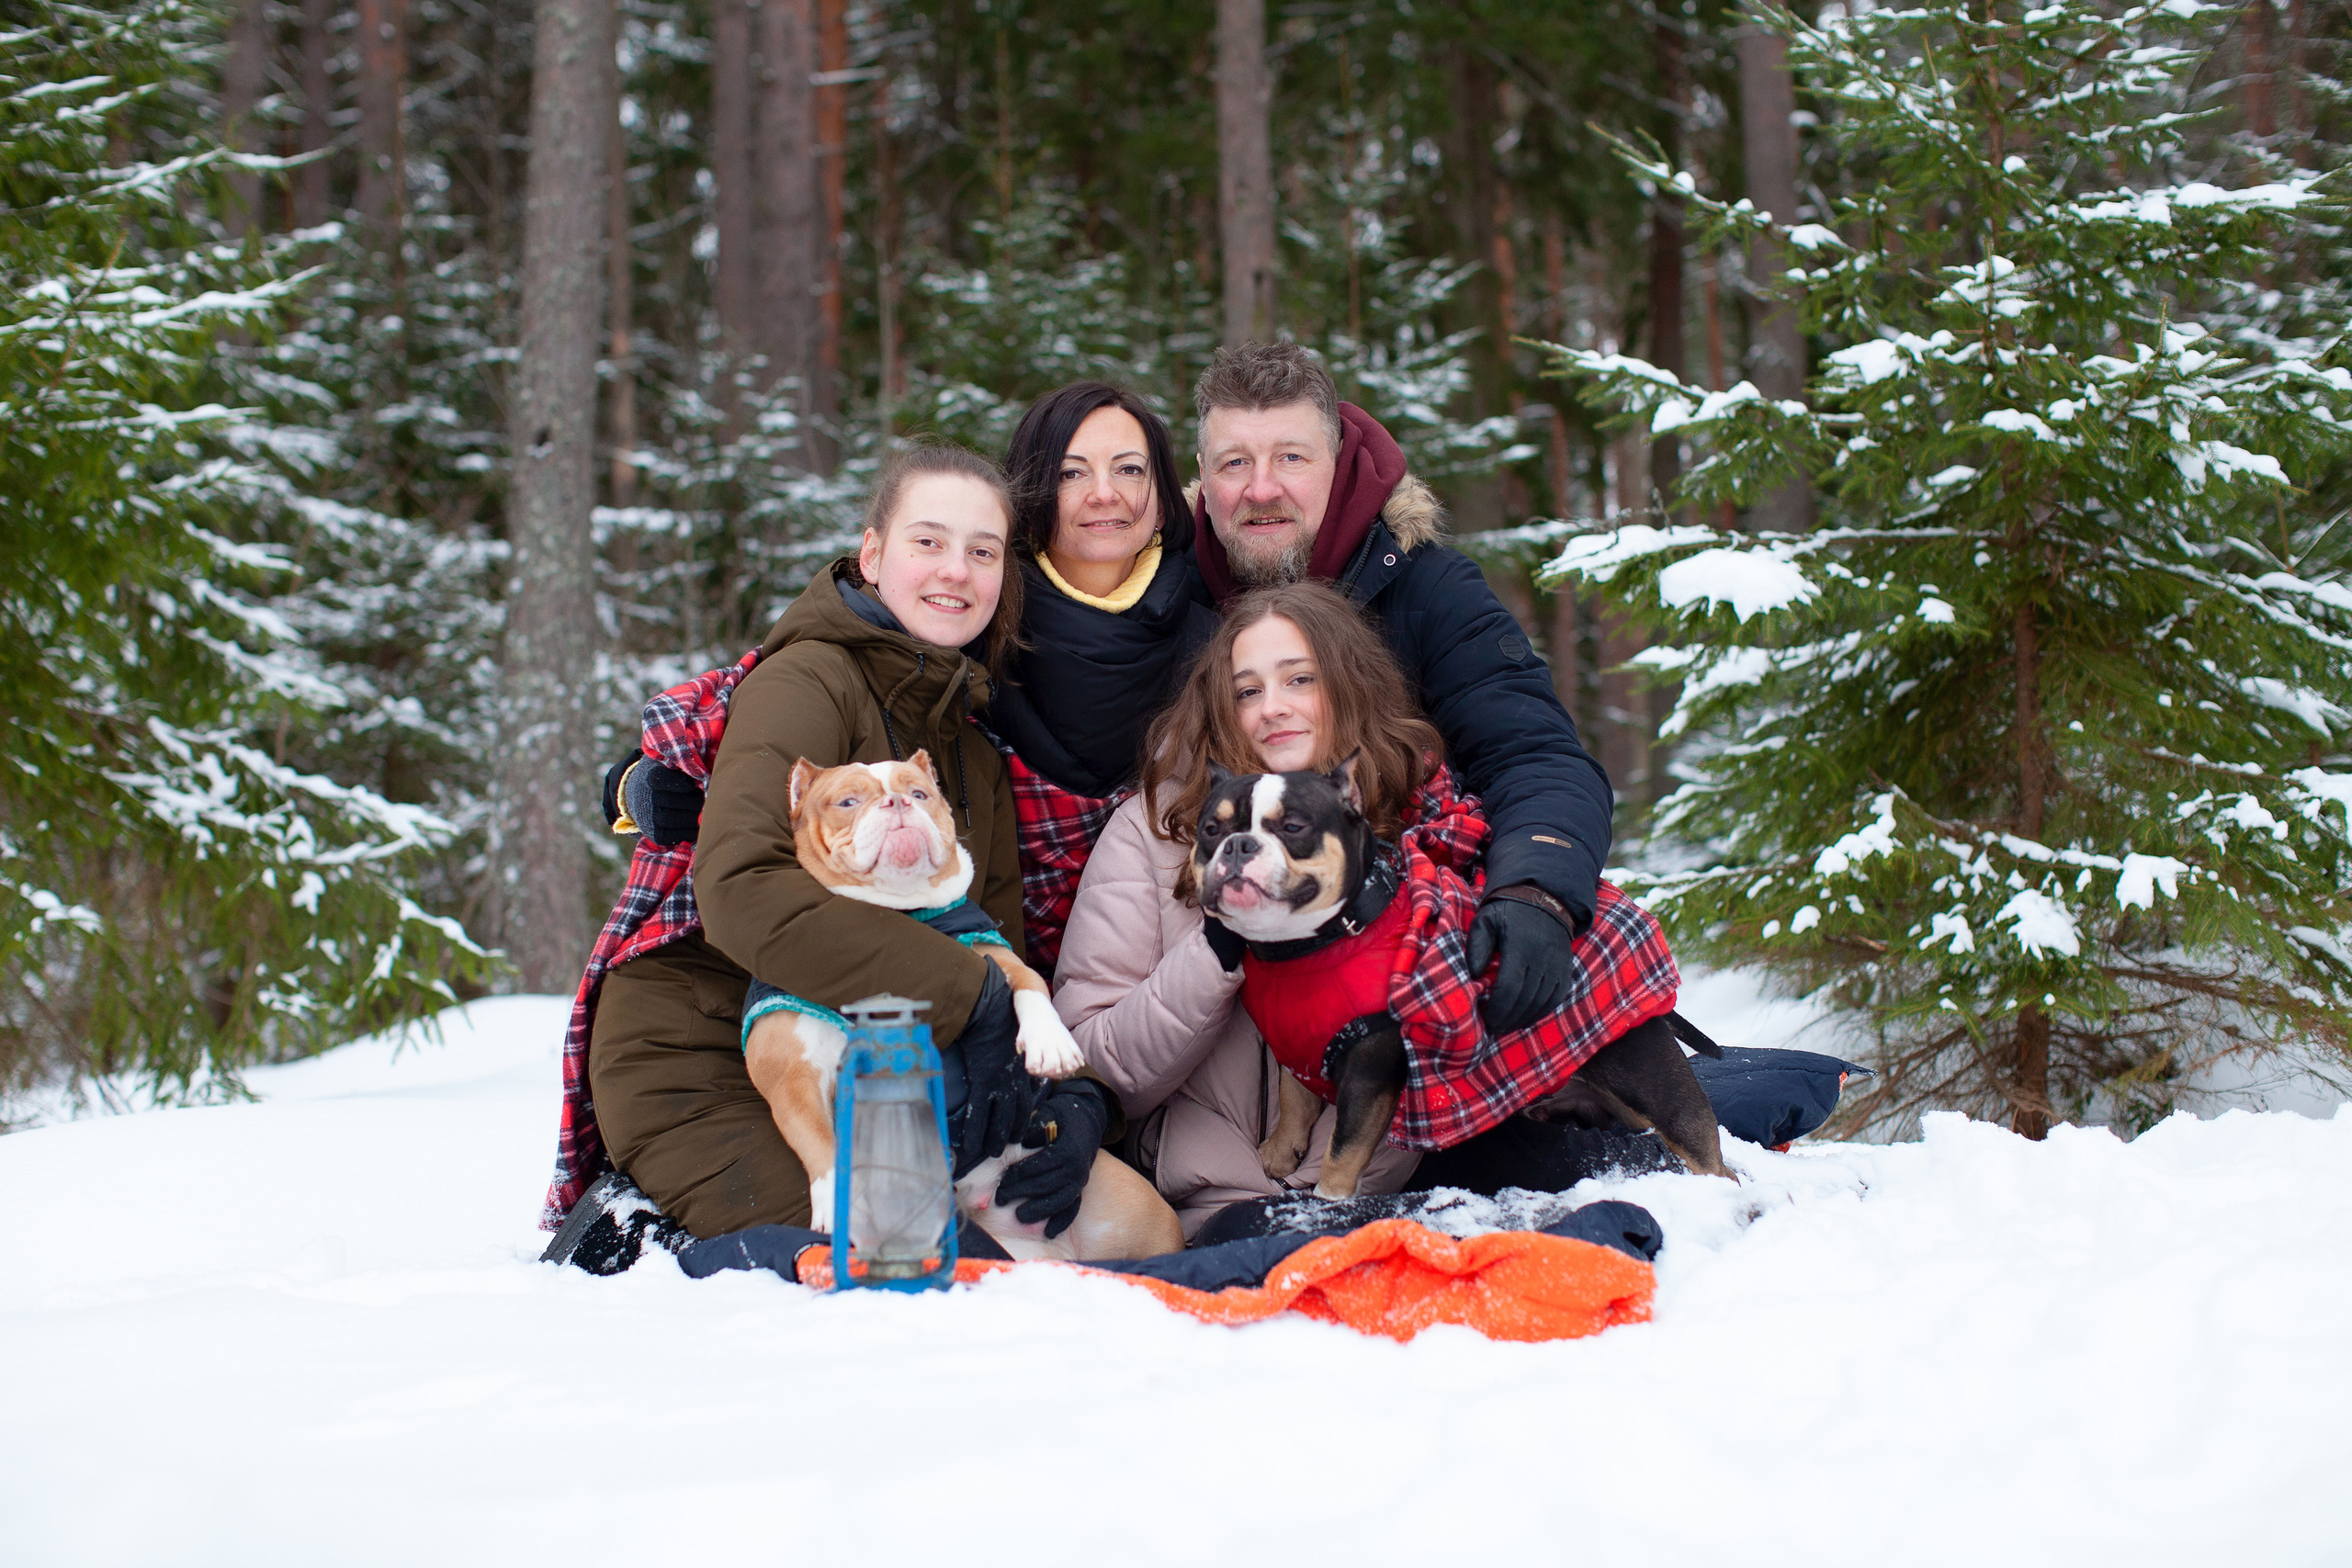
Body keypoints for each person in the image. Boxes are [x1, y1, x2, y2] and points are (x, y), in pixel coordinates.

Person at [582, 446, 1113, 1240]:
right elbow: (741, 888)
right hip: (707, 1054)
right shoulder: (808, 680)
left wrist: (1071, 1096)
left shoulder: (969, 750)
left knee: (1019, 1251)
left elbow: (992, 942)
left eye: (982, 551)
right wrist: (972, 996)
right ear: (872, 554)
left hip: (879, 1073)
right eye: (927, 541)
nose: (956, 572)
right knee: (919, 1257)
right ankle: (638, 1231)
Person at [1056, 582, 1665, 1237]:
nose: (1273, 709)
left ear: (1345, 683)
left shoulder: (1425, 823)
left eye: (1299, 679)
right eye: (1248, 690)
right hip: (1215, 1201)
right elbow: (1090, 1066)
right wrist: (1217, 951)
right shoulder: (1158, 830)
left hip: (1392, 1193)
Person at [607, 379, 1216, 973]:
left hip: (1137, 973)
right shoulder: (970, 608)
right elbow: (798, 691)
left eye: (1130, 469)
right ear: (1031, 498)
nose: (1103, 493)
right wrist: (644, 775)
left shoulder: (1213, 638)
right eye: (1070, 471)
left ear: (1165, 497)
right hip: (964, 962)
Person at [1187, 341, 1614, 1034]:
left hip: (1412, 966)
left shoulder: (1427, 589)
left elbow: (1534, 753)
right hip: (1225, 976)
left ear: (1339, 462)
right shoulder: (1180, 593)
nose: (1261, 488)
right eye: (1235, 463)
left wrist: (1536, 887)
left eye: (1291, 457)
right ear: (1204, 476)